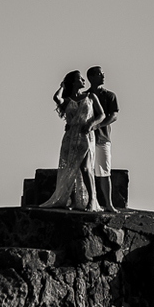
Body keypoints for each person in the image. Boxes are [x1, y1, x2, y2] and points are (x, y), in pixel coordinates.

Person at [40, 70, 104, 211]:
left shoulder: (90, 96)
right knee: (71, 168)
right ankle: (74, 201)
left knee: (86, 168)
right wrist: (62, 85)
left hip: (85, 135)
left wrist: (91, 124)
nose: (83, 80)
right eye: (80, 78)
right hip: (70, 136)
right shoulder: (68, 100)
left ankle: (92, 200)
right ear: (74, 82)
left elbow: (101, 115)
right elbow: (57, 98)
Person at [87, 66, 120, 212]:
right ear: (92, 77)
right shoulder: (85, 96)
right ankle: (90, 202)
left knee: (105, 172)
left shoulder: (109, 96)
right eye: (100, 74)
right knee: (87, 170)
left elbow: (114, 115)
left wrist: (98, 125)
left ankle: (108, 204)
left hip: (103, 137)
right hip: (87, 138)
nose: (103, 76)